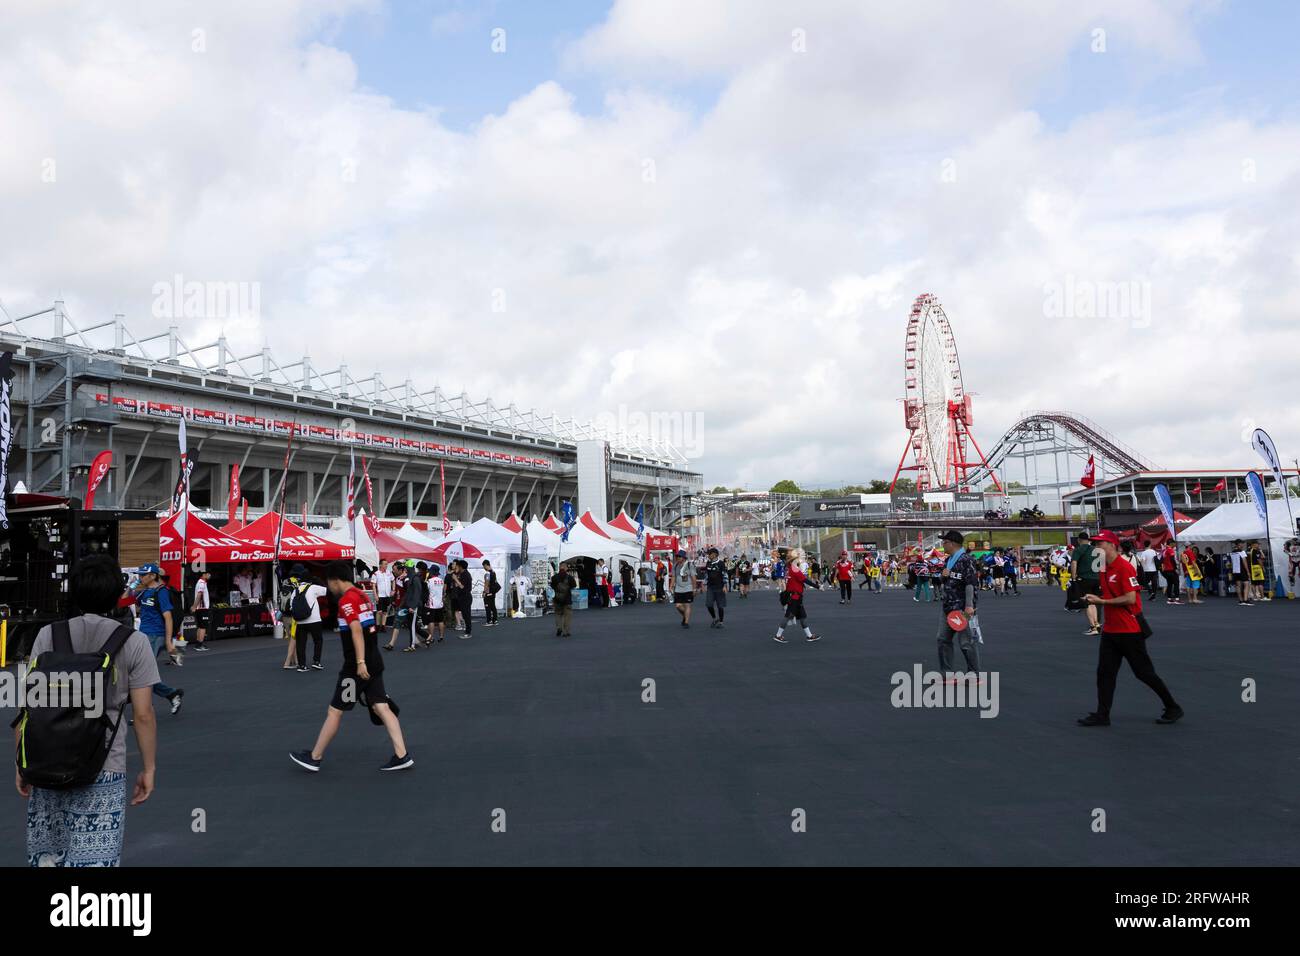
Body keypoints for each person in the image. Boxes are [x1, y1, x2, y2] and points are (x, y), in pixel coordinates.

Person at [17, 555, 160, 867]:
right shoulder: (134, 642)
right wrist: (148, 769)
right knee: (94, 858)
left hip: (47, 758)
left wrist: (22, 762)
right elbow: (144, 714)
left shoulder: (48, 636)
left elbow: (29, 703)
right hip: (104, 761)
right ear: (115, 594)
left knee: (49, 856)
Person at [290, 561, 412, 773]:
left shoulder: (347, 600)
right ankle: (402, 755)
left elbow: (356, 629)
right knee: (381, 706)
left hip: (356, 668)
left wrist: (359, 662)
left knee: (335, 710)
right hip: (374, 662)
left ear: (335, 580)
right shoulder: (362, 595)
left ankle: (314, 757)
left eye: (329, 582)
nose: (329, 587)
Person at [1077, 530, 1183, 727]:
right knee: (1105, 673)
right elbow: (1100, 585)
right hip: (1111, 630)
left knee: (1144, 673)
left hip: (1129, 630)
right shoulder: (1102, 567)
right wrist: (1090, 595)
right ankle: (1102, 714)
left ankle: (1172, 706)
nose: (1095, 547)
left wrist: (1101, 601)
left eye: (1099, 544)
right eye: (1095, 544)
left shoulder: (1124, 568)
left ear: (1111, 545)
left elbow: (1131, 598)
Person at [131, 564, 184, 715]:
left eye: (143, 575)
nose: (140, 577)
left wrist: (168, 642)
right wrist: (133, 584)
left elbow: (168, 618)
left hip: (155, 636)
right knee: (142, 674)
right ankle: (172, 694)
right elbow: (122, 602)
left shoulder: (161, 592)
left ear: (153, 576)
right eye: (139, 575)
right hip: (145, 635)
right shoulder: (144, 592)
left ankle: (145, 711)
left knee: (142, 674)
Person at [937, 531, 982, 677]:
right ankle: (947, 673)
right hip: (948, 606)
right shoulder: (948, 560)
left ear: (951, 543)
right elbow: (946, 579)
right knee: (942, 639)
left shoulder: (966, 559)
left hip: (962, 608)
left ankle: (973, 674)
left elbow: (970, 584)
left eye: (944, 542)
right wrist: (942, 576)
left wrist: (969, 606)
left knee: (966, 643)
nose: (942, 545)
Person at [288, 564, 328, 671]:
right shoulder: (313, 587)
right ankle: (316, 661)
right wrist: (318, 580)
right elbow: (326, 590)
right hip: (314, 619)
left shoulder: (295, 591)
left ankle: (302, 665)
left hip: (300, 621)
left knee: (301, 643)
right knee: (318, 640)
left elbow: (291, 606)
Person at [774, 549, 820, 644]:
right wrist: (817, 586)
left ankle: (809, 636)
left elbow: (798, 581)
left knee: (802, 617)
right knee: (788, 616)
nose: (800, 559)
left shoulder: (791, 568)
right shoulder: (794, 569)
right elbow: (805, 580)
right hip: (794, 597)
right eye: (798, 558)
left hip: (796, 597)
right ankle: (778, 635)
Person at [1071, 531, 1104, 635]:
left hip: (1084, 578)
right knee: (1093, 602)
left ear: (1079, 540)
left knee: (1086, 603)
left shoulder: (1078, 549)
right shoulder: (1096, 550)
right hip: (1097, 578)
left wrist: (1073, 576)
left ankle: (1093, 627)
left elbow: (1074, 562)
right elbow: (1102, 565)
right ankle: (1097, 624)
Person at [702, 547, 729, 629]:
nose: (708, 556)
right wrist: (704, 584)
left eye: (709, 554)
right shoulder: (708, 563)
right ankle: (714, 618)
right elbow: (707, 574)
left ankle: (721, 622)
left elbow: (724, 574)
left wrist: (725, 586)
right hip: (710, 587)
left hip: (720, 587)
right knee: (709, 605)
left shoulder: (721, 563)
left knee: (720, 606)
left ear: (714, 555)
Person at [550, 563, 576, 637]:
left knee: (558, 614)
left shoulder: (554, 577)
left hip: (557, 599)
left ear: (559, 568)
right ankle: (566, 631)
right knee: (567, 615)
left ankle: (559, 628)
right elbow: (573, 587)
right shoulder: (570, 577)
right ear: (566, 568)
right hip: (567, 599)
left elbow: (552, 587)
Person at [423, 564, 447, 644]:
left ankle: (431, 637)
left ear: (432, 572)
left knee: (431, 621)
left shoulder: (429, 581)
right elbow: (443, 591)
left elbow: (427, 591)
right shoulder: (441, 580)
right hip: (440, 603)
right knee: (440, 620)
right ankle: (441, 636)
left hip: (431, 604)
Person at [671, 550, 696, 628]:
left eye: (679, 556)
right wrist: (671, 585)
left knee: (687, 605)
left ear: (684, 557)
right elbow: (674, 577)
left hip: (688, 587)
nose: (678, 558)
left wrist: (694, 588)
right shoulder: (675, 566)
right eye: (677, 556)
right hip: (678, 588)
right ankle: (685, 616)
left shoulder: (689, 565)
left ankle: (686, 622)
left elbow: (693, 577)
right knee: (678, 606)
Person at [190, 569, 213, 651]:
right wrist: (194, 606)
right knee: (203, 627)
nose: (210, 575)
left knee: (200, 626)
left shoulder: (201, 582)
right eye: (208, 574)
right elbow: (199, 595)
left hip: (200, 608)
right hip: (202, 608)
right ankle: (200, 645)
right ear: (204, 574)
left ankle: (198, 644)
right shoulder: (202, 583)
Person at [453, 560, 475, 638]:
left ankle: (468, 633)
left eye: (457, 565)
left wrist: (456, 579)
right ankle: (467, 632)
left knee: (466, 615)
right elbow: (457, 585)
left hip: (466, 597)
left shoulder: (466, 574)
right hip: (462, 597)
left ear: (461, 567)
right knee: (465, 615)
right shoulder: (461, 574)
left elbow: (463, 587)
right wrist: (456, 579)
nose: (456, 567)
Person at [373, 559, 395, 634]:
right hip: (380, 595)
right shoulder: (376, 574)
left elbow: (393, 580)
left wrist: (393, 589)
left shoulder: (389, 573)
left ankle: (383, 626)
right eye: (385, 564)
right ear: (380, 565)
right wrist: (375, 595)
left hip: (387, 595)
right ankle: (377, 626)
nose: (386, 565)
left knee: (385, 612)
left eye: (387, 564)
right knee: (379, 611)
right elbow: (373, 585)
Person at [481, 559, 500, 626]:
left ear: (486, 565)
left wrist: (484, 592)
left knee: (487, 606)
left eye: (484, 566)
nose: (484, 568)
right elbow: (495, 582)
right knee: (493, 606)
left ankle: (489, 621)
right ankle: (495, 620)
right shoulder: (493, 572)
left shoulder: (487, 573)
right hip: (493, 592)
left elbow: (486, 583)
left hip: (488, 592)